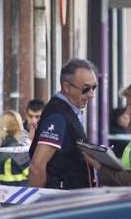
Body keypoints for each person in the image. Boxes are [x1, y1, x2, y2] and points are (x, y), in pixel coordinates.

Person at [28, 59, 99, 189]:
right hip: (60, 201)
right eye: (86, 89)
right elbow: (37, 167)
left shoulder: (69, 110)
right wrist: (36, 204)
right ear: (66, 87)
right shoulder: (58, 117)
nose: (91, 95)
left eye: (94, 87)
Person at [0, 110, 30, 186]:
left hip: (2, 192)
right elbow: (32, 173)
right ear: (19, 127)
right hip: (20, 193)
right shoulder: (18, 150)